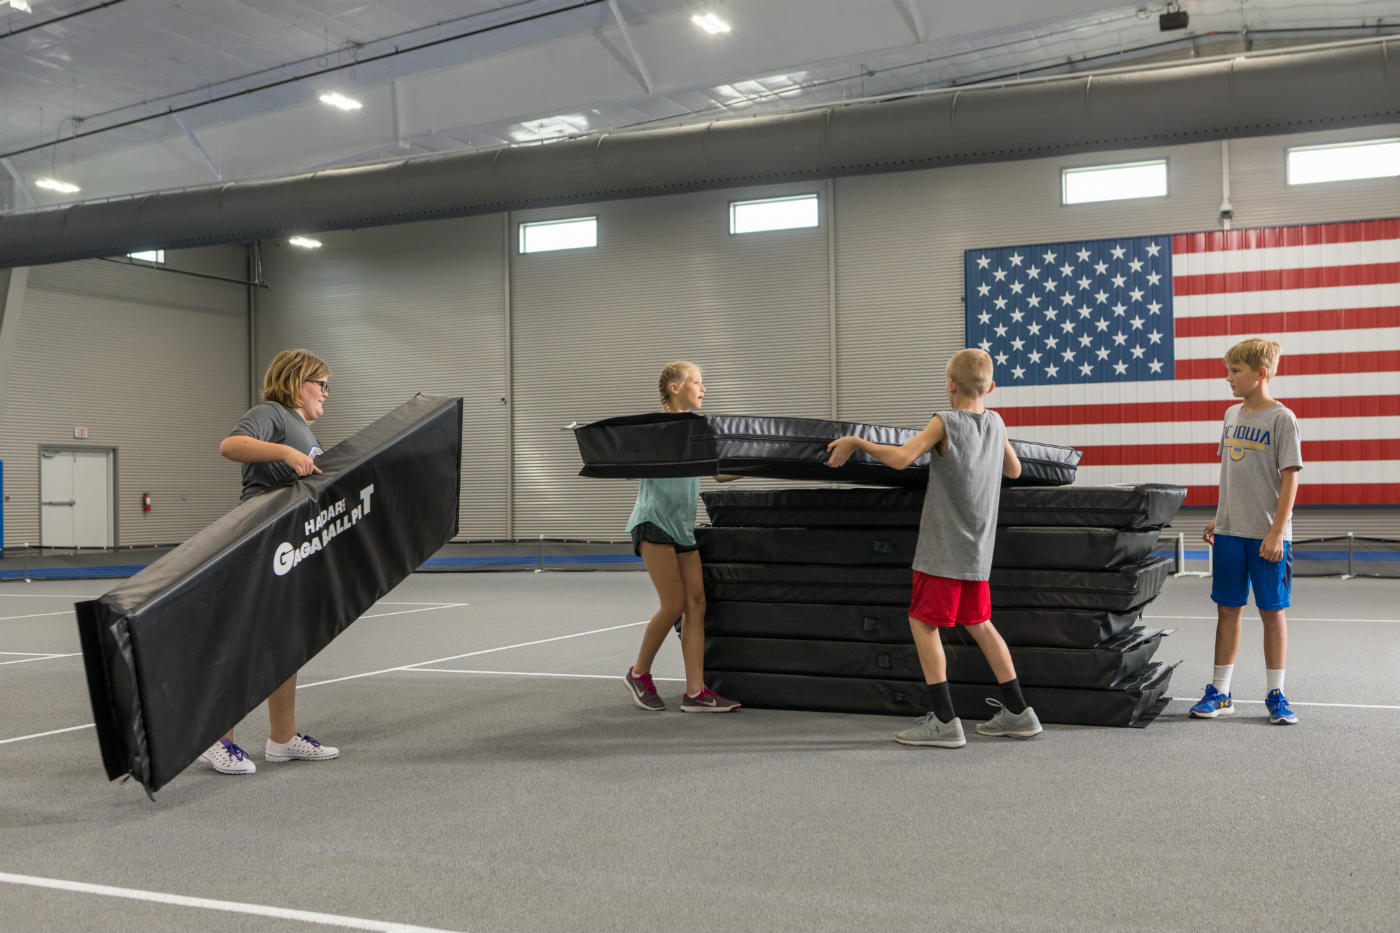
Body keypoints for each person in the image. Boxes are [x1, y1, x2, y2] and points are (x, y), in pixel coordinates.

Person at [825, 347, 1042, 748]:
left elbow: (902, 458)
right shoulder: (996, 422)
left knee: (923, 624)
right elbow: (1014, 469)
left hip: (942, 549)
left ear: (950, 386)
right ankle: (1019, 711)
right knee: (979, 624)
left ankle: (943, 720)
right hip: (977, 551)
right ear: (990, 387)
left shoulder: (945, 421)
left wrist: (859, 442)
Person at [198, 349, 342, 774]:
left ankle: (283, 739)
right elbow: (231, 446)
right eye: (323, 384)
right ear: (299, 381)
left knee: (285, 641)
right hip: (257, 539)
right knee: (246, 639)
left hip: (288, 545)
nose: (327, 394)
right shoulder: (273, 414)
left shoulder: (301, 429)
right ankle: (215, 739)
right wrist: (284, 453)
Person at [1191, 337, 1302, 725]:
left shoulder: (1281, 419)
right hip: (1230, 532)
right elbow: (1234, 476)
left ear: (1261, 373)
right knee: (1227, 610)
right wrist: (1219, 517)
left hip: (1268, 537)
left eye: (1235, 371)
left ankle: (1277, 694)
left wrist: (1275, 532)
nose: (1228, 378)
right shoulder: (1230, 416)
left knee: (1272, 612)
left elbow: (1290, 480)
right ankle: (1221, 692)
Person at [622, 361, 742, 713]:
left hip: (681, 527)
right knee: (673, 604)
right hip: (653, 522)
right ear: (675, 388)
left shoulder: (699, 431)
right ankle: (638, 673)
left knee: (696, 605)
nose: (703, 388)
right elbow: (630, 465)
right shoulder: (658, 429)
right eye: (696, 382)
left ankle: (695, 692)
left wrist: (763, 464)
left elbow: (717, 474)